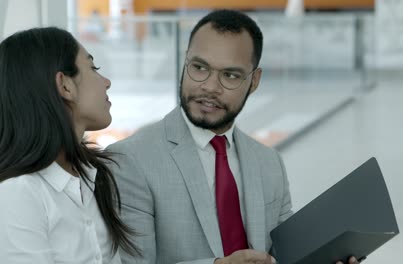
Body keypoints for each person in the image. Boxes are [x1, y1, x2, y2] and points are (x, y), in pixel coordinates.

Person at [108, 10, 359, 264]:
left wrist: (324, 258)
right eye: (199, 67)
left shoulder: (269, 162)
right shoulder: (130, 160)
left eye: (230, 75)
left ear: (254, 81)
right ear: (185, 62)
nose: (210, 87)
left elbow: (286, 255)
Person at [0, 27, 139, 263]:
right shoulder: (17, 193)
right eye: (94, 68)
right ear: (64, 85)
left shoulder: (92, 175)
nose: (107, 82)